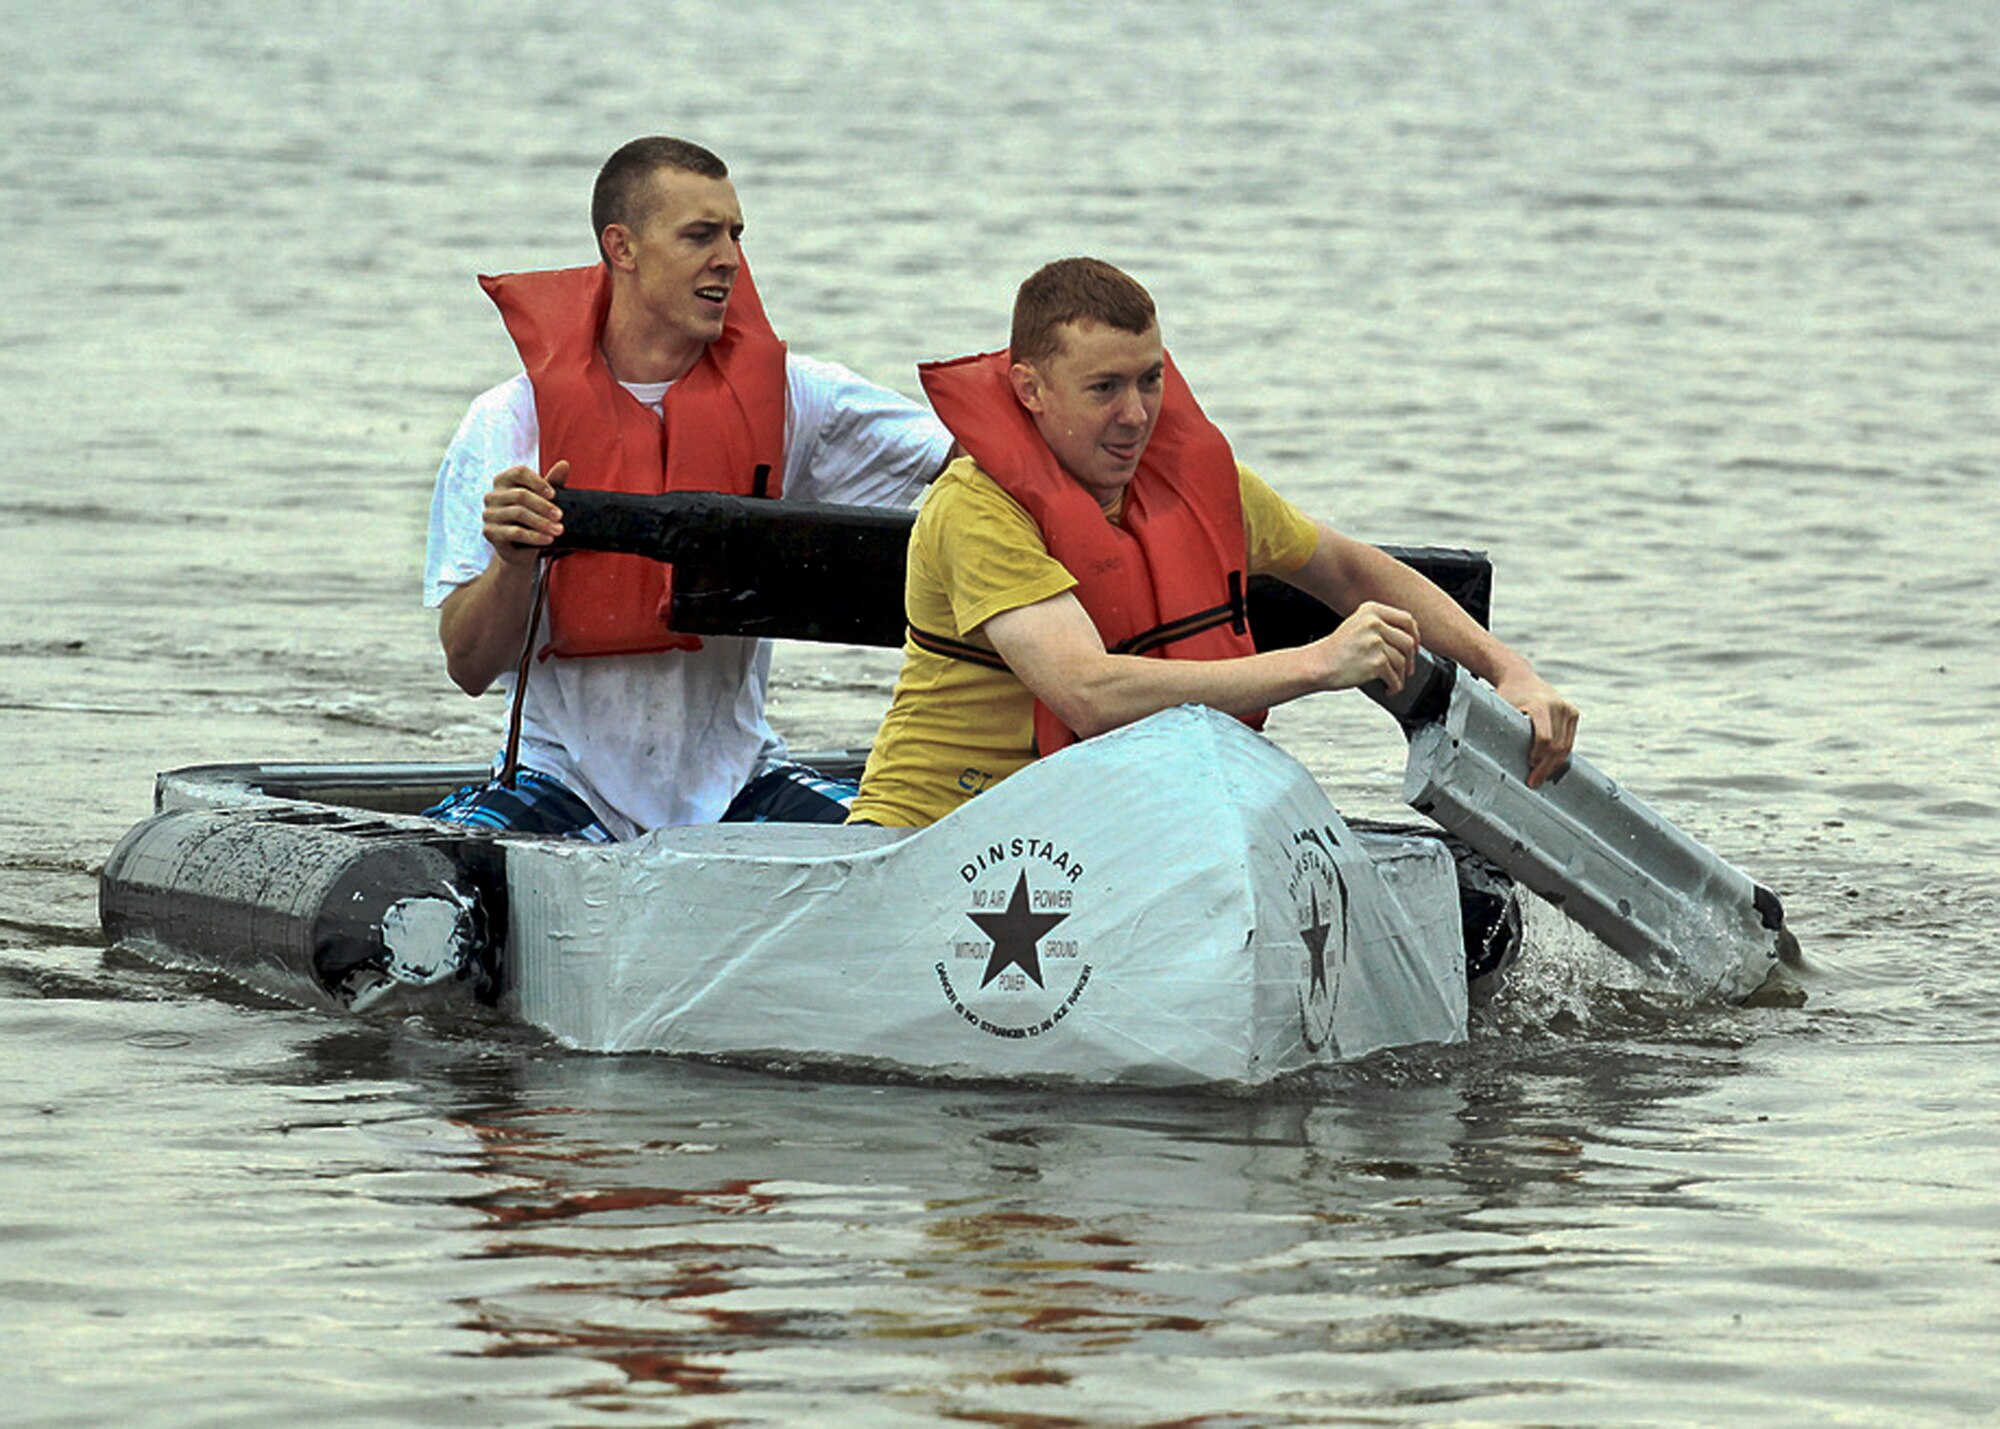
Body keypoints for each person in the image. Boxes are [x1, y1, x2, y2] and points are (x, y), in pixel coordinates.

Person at [850, 257, 1577, 828]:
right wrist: (1317, 663)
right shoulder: (975, 509)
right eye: (1104, 388)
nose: (1135, 414)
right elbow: (1088, 692)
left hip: (1081, 833)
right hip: (932, 832)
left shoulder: (1192, 484)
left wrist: (1508, 669)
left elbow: (1348, 569)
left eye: (1151, 380)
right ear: (1030, 389)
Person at [423, 137, 953, 840]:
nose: (730, 258)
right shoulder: (507, 422)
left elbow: (969, 458)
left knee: (908, 857)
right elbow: (466, 664)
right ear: (623, 247)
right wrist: (512, 564)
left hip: (742, 782)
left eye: (735, 234)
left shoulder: (799, 398)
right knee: (433, 882)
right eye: (701, 236)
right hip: (562, 784)